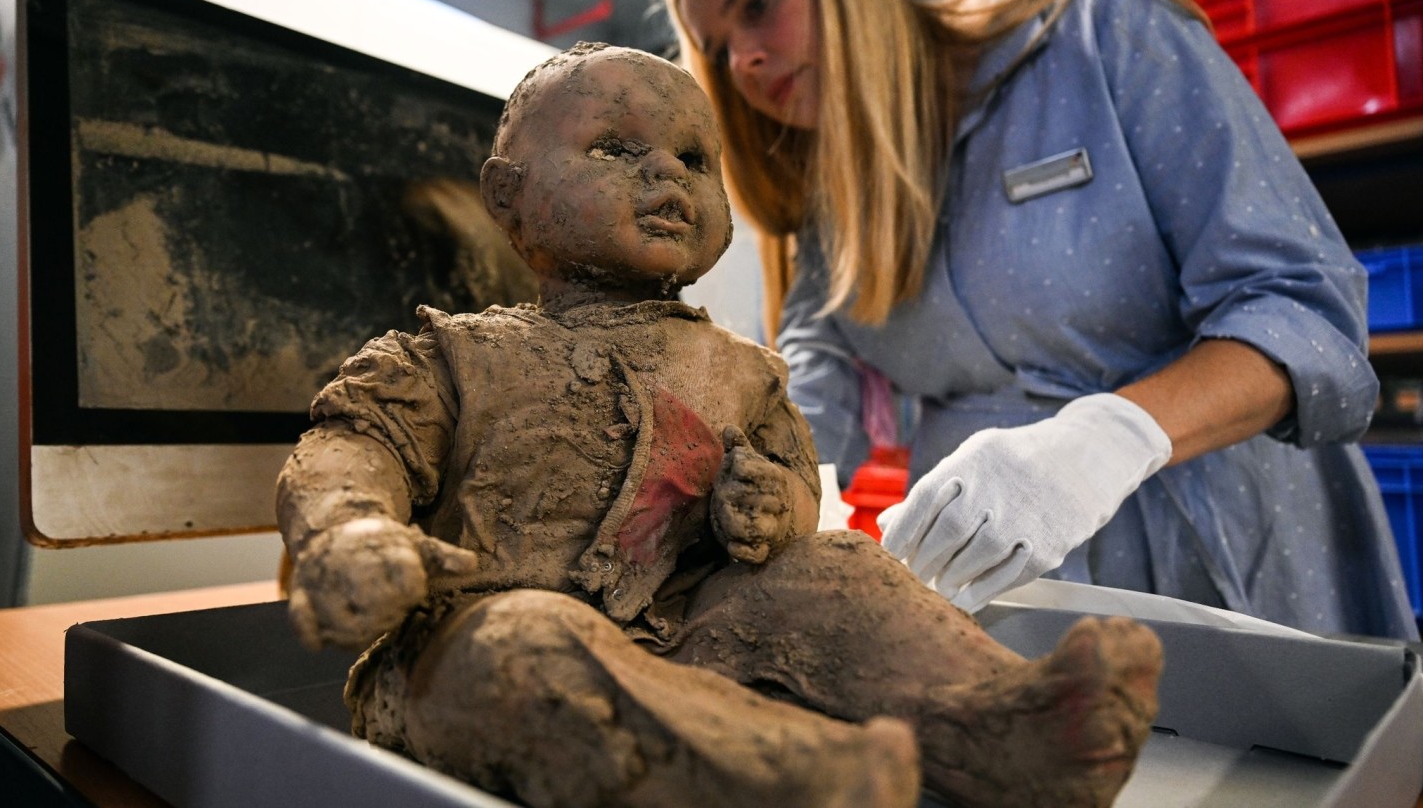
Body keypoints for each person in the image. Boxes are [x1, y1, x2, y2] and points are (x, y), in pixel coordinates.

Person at [275, 42, 1165, 808]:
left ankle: (1003, 724)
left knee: (835, 567)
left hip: (697, 643)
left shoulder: (743, 371)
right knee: (530, 645)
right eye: (616, 149)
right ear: (508, 198)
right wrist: (349, 530)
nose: (666, 174)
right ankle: (785, 776)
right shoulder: (451, 357)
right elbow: (353, 445)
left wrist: (775, 508)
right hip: (465, 657)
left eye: (694, 160)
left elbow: (800, 499)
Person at [663, 0, 1418, 640]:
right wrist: (721, 490)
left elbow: (1306, 313)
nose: (747, 60)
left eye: (757, 6)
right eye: (720, 52)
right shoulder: (837, 206)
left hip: (1228, 544)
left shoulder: (1099, 39)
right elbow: (813, 391)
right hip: (1006, 589)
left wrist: (1108, 440)